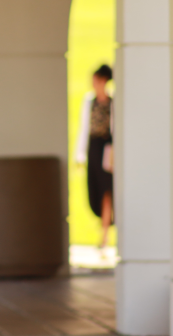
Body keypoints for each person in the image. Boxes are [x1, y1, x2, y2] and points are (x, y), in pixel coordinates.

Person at [75, 64, 114, 249]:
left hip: (107, 149)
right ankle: (103, 229)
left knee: (107, 190)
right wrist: (79, 155)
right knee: (96, 187)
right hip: (94, 148)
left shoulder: (112, 103)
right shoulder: (89, 101)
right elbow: (84, 128)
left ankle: (104, 235)